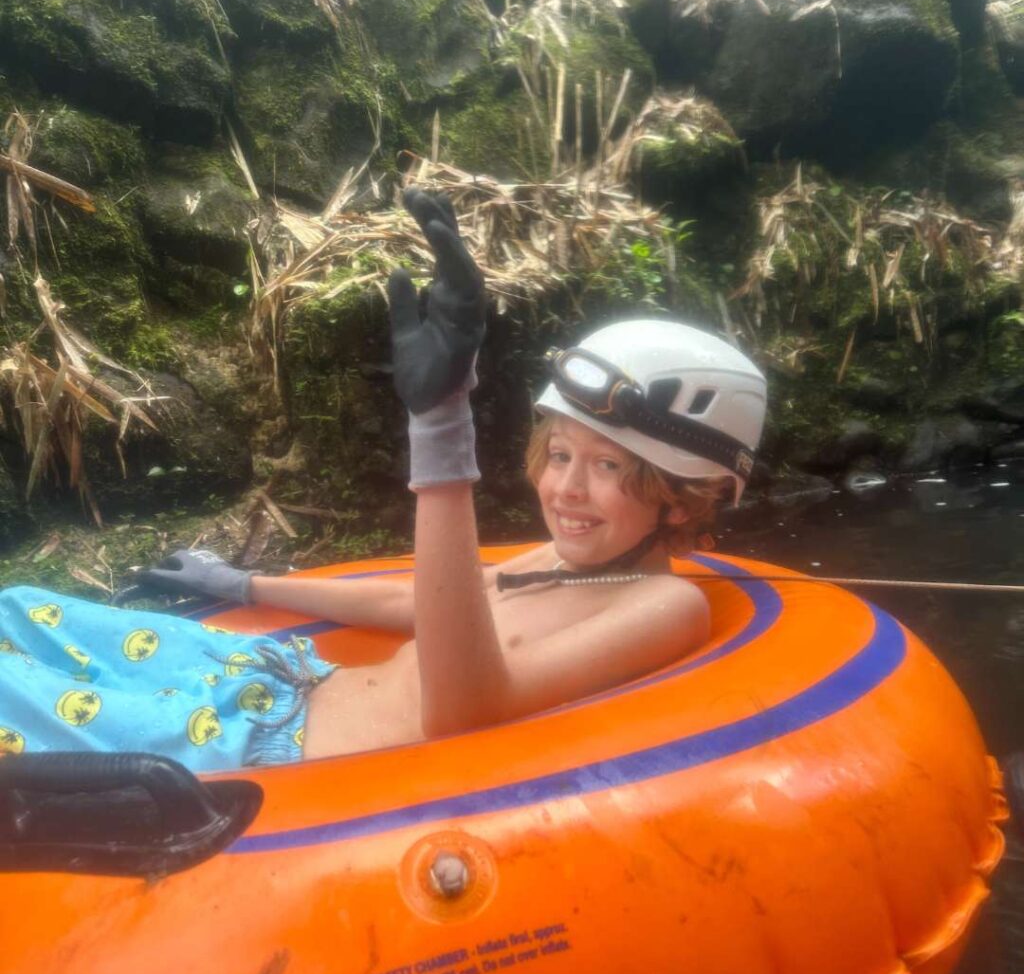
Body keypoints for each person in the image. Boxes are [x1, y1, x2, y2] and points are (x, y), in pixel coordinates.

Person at [0, 188, 767, 771]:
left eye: (608, 467)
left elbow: (466, 708)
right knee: (19, 611)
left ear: (686, 495)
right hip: (278, 676)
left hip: (262, 744)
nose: (566, 488)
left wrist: (439, 422)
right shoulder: (567, 565)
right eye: (560, 453)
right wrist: (245, 586)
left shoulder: (669, 606)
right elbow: (417, 606)